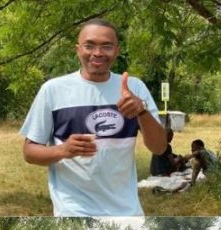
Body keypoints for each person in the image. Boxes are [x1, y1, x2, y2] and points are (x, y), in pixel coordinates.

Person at [19, 18, 167, 216]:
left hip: (126, 210)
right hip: (72, 209)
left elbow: (159, 147)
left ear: (117, 50)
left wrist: (142, 111)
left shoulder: (135, 88)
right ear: (78, 49)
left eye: (106, 46)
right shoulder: (52, 90)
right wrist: (64, 149)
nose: (97, 53)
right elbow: (29, 152)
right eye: (89, 45)